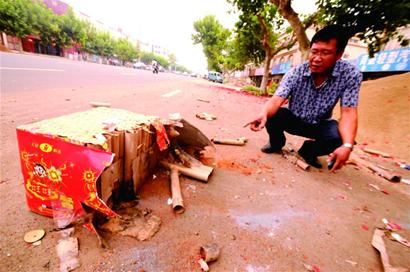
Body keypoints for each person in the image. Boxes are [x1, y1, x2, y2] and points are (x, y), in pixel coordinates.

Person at [245, 25, 362, 171]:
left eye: (325, 53)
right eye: (314, 52)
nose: (317, 59)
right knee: (273, 115)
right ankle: (276, 143)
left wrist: (347, 146)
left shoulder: (350, 75)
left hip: (320, 124)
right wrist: (263, 113)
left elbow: (349, 112)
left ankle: (308, 151)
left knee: (340, 138)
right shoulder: (296, 73)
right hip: (293, 119)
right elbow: (276, 99)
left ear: (339, 55)